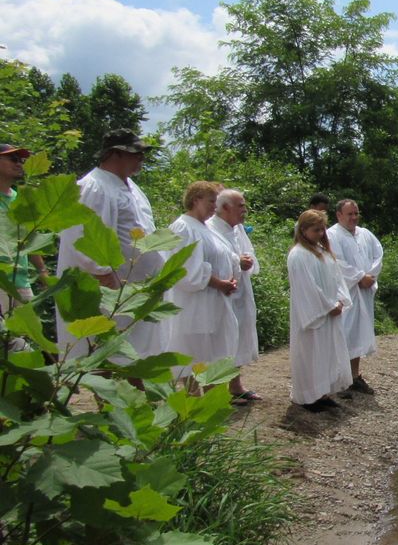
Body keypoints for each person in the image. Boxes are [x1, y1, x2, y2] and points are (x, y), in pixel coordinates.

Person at [55, 129, 167, 359]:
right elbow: (84, 236)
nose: (141, 158)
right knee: (108, 350)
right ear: (115, 154)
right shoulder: (94, 187)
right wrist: (103, 275)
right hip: (111, 289)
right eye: (136, 153)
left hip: (134, 286)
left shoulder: (131, 187)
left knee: (134, 351)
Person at [166, 181, 241, 392]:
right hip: (195, 306)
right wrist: (218, 283)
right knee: (193, 357)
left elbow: (225, 255)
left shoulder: (206, 228)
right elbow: (186, 268)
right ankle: (194, 405)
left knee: (212, 357)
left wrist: (231, 276)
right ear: (195, 199)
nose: (214, 207)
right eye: (210, 201)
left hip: (214, 304)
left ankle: (209, 406)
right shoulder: (183, 227)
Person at [287, 209, 353, 412]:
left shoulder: (322, 252)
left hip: (330, 311)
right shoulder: (299, 254)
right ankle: (308, 396)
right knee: (310, 353)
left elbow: (337, 279)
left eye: (323, 229)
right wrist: (328, 306)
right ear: (304, 230)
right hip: (313, 315)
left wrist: (340, 300)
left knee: (326, 354)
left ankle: (323, 392)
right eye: (316, 230)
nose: (321, 234)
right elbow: (307, 288)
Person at [208, 188, 261, 402]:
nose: (244, 210)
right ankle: (218, 390)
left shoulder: (237, 229)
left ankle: (236, 385)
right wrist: (236, 262)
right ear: (225, 208)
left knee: (241, 333)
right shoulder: (210, 228)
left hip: (241, 288)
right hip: (221, 291)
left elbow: (249, 253)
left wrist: (246, 261)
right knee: (223, 339)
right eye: (241, 206)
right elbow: (214, 259)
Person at [327, 198, 383, 393]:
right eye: (349, 213)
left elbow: (378, 254)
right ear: (339, 215)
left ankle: (354, 375)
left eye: (356, 213)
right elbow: (336, 262)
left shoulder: (365, 234)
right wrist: (359, 277)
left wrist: (371, 276)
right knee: (344, 332)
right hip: (346, 292)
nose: (353, 217)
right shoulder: (332, 235)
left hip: (365, 291)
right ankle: (339, 379)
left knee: (359, 333)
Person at [0, 144, 49, 313]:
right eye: (13, 159)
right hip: (1, 282)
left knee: (22, 337)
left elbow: (30, 238)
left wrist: (42, 271)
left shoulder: (21, 199)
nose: (19, 163)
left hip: (21, 283)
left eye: (21, 160)